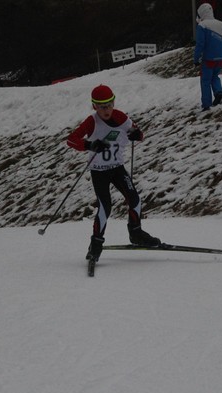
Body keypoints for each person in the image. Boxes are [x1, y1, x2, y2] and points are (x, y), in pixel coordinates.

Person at [66, 84, 161, 262]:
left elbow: (137, 133)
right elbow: (71, 140)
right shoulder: (91, 121)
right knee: (105, 207)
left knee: (135, 200)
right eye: (102, 106)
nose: (107, 109)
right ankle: (96, 244)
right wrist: (89, 145)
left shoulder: (120, 117)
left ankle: (136, 233)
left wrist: (136, 135)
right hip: (99, 171)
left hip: (117, 168)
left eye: (110, 104)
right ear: (94, 106)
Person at [194, 3, 222, 111]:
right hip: (220, 58)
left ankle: (206, 104)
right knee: (215, 76)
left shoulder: (202, 26)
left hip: (208, 59)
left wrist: (196, 59)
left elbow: (200, 44)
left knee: (205, 81)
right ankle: (218, 91)